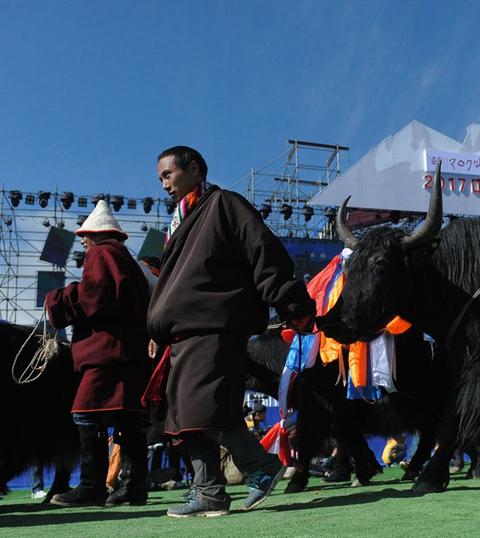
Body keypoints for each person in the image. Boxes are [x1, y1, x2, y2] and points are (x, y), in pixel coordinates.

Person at [148, 146, 315, 517]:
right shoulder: (180, 219)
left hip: (214, 326)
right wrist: (158, 329)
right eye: (160, 178)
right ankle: (207, 491)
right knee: (181, 418)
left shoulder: (223, 204)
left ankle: (260, 466)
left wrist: (291, 303)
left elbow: (262, 251)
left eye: (167, 175)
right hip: (181, 334)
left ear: (193, 169)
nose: (164, 185)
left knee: (201, 409)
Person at [46, 200, 151, 506]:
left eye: (84, 235)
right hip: (126, 354)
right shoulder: (123, 257)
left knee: (85, 413)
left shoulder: (102, 253)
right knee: (127, 419)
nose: (81, 241)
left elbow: (95, 296)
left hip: (107, 354)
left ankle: (92, 486)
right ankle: (134, 487)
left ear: (96, 235)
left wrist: (58, 299)